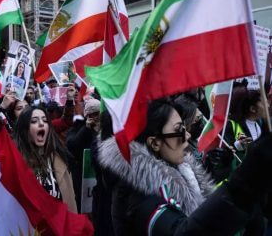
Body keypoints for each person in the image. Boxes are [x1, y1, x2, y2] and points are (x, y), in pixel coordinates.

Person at [98, 98, 269, 235]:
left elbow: (203, 214)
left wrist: (218, 171)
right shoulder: (138, 192)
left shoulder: (181, 171)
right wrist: (244, 184)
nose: (187, 135)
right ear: (155, 142)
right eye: (179, 129)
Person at [0, 106, 77, 212]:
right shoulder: (11, 156)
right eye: (34, 121)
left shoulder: (58, 158)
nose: (41, 124)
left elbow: (70, 205)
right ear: (25, 129)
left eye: (45, 121)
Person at [67, 98, 101, 212]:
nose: (96, 117)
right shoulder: (77, 128)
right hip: (82, 178)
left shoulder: (107, 128)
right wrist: (86, 130)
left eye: (98, 114)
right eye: (92, 114)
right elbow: (72, 145)